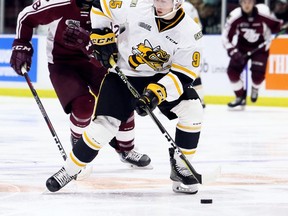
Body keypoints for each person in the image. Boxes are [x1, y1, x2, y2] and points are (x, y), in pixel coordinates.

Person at [46, 0, 204, 194]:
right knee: (103, 127)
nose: (158, 3)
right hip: (123, 75)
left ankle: (181, 168)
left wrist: (155, 95)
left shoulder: (190, 31)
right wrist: (102, 36)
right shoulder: (135, 5)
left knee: (193, 109)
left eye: (164, 0)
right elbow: (100, 6)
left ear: (178, 2)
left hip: (162, 79)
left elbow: (185, 73)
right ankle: (68, 171)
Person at [9, 0, 152, 176]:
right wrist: (21, 44)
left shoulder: (113, 6)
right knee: (84, 106)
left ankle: (126, 149)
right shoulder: (60, 3)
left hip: (97, 62)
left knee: (122, 100)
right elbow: (26, 17)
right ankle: (78, 147)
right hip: (63, 63)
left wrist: (89, 44)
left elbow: (118, 42)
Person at [222, 0, 283, 109]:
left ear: (254, 3)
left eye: (249, 2)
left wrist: (281, 27)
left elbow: (276, 26)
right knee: (232, 72)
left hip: (261, 48)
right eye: (244, 2)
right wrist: (233, 51)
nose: (247, 5)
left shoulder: (263, 12)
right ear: (240, 3)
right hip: (242, 48)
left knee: (258, 76)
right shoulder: (235, 16)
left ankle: (255, 88)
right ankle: (240, 97)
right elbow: (226, 37)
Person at [183, 0, 206, 108]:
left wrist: (192, 44)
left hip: (188, 45)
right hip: (172, 45)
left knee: (194, 72)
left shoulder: (188, 7)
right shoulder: (162, 4)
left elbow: (197, 27)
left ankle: (200, 99)